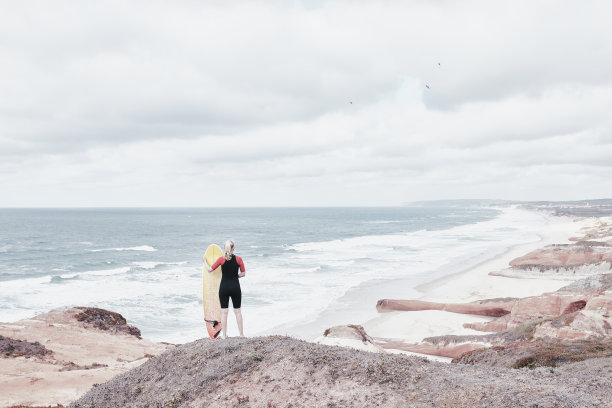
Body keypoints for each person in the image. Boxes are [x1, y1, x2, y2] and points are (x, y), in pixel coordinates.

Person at [204, 239, 246, 339]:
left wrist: (205, 261)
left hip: (224, 288)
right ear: (233, 248)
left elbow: (210, 269)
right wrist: (236, 276)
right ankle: (241, 334)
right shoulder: (239, 259)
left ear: (224, 248)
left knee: (224, 312)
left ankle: (224, 335)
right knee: (238, 311)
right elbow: (243, 273)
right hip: (235, 287)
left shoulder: (221, 260)